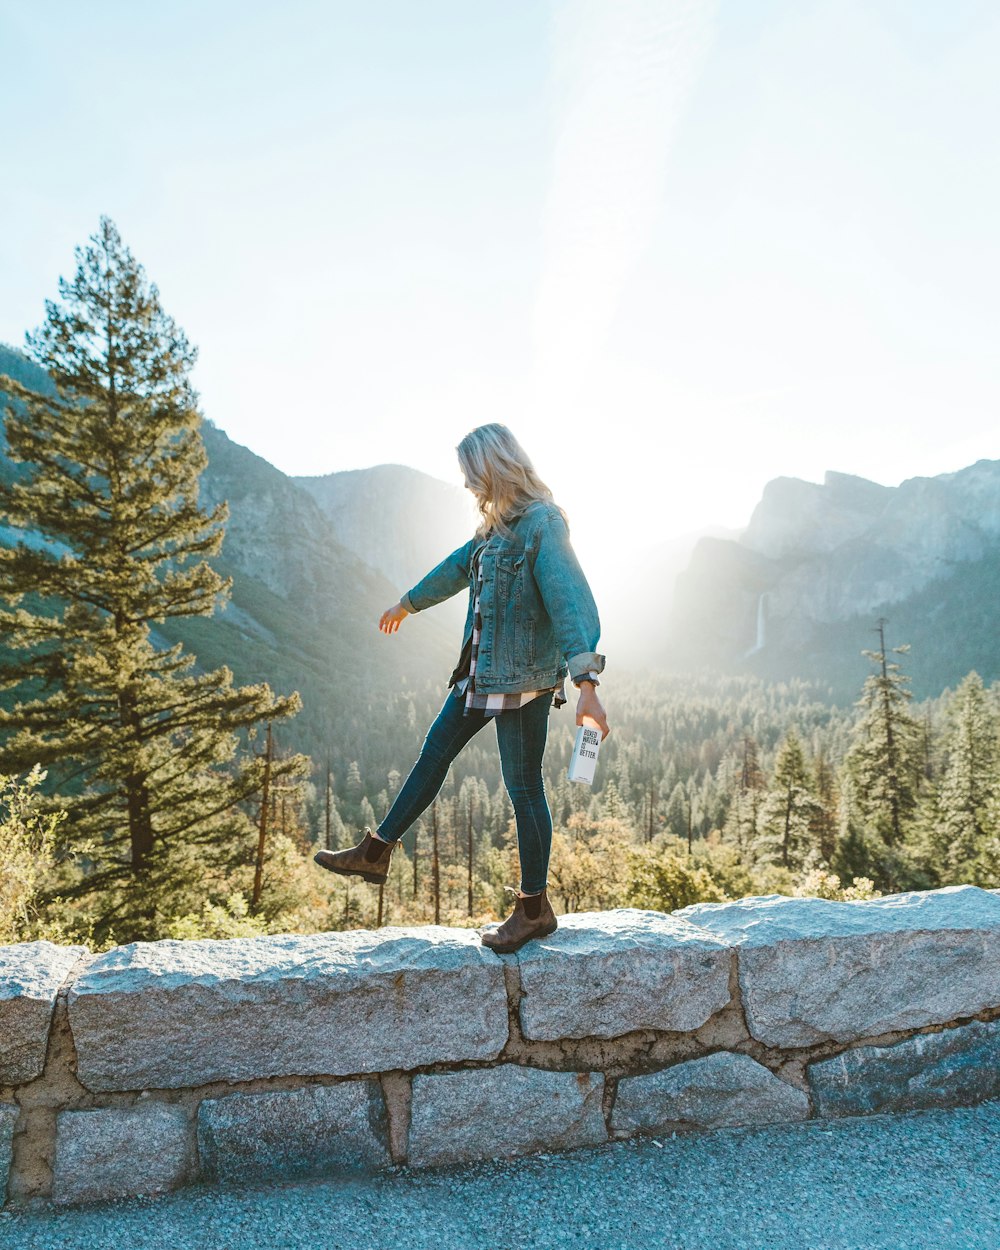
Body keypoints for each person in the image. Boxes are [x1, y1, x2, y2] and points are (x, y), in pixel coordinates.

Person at [314, 423, 609, 953]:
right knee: (433, 756)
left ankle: (534, 910)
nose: (470, 488)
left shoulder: (542, 523)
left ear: (494, 467)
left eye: (474, 476)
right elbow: (456, 569)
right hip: (478, 672)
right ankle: (376, 851)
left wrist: (586, 683)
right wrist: (407, 603)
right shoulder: (494, 527)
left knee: (524, 790)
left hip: (523, 683)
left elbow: (572, 604)